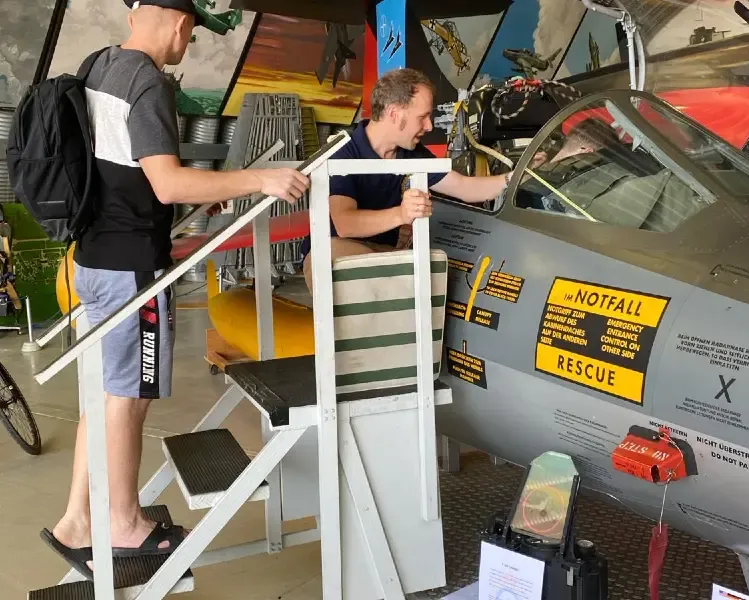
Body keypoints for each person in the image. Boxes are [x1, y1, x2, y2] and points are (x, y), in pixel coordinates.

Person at [40, 0, 310, 577]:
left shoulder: (97, 65)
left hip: (91, 258)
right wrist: (260, 176)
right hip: (131, 271)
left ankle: (76, 520)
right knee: (129, 398)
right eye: (192, 35)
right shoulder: (147, 81)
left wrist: (199, 187)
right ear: (183, 23)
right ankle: (124, 522)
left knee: (102, 395)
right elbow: (165, 183)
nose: (187, 45)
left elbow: (125, 171)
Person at [300, 68, 510, 292]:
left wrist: (517, 177)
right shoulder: (342, 153)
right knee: (336, 257)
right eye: (422, 117)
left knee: (431, 271)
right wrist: (401, 214)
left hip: (383, 254)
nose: (429, 126)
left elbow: (465, 187)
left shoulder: (411, 152)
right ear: (394, 114)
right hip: (335, 253)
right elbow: (345, 224)